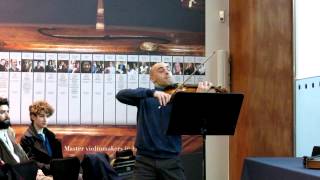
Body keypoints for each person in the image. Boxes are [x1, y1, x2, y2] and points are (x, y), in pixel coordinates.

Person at [116, 62, 212, 180]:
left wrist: (198, 99)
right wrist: (152, 93)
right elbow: (120, 95)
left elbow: (193, 123)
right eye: (161, 70)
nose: (167, 72)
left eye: (168, 69)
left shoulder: (181, 98)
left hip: (171, 160)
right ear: (152, 78)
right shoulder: (145, 98)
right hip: (144, 162)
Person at [0, 97, 51, 179]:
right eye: (2, 112)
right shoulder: (26, 137)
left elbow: (22, 157)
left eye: (8, 111)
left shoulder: (9, 132)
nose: (7, 115)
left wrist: (35, 171)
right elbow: (5, 170)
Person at [20, 101, 63, 175]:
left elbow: (59, 159)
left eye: (47, 116)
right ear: (33, 117)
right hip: (41, 174)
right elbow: (31, 162)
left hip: (57, 172)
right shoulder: (26, 138)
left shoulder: (51, 136)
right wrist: (52, 168)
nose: (45, 119)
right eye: (42, 116)